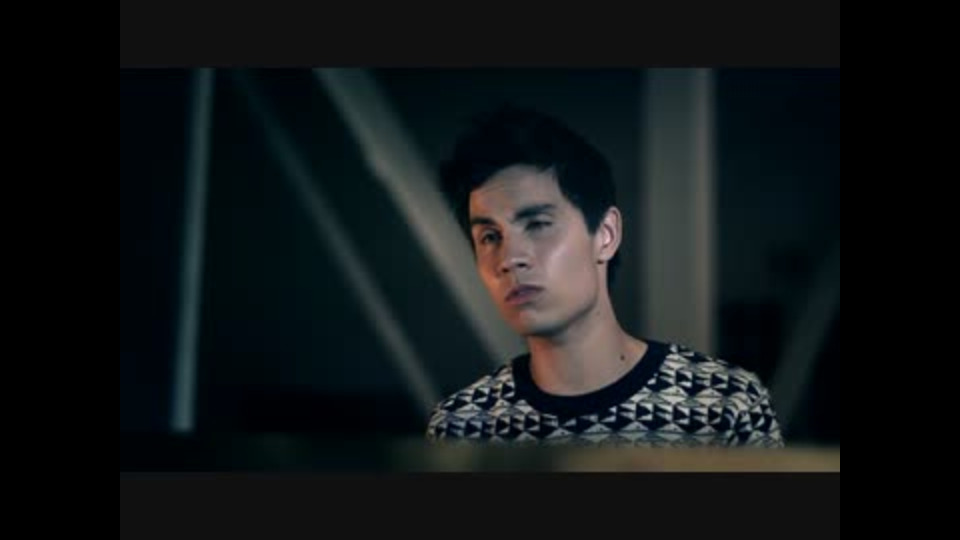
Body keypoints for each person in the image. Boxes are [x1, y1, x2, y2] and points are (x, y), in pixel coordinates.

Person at [426, 105, 783, 448]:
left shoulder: (722, 406)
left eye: (537, 224)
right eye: (490, 237)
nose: (509, 259)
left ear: (606, 235)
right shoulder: (462, 425)